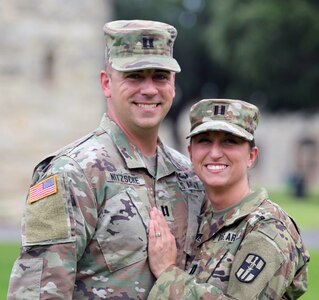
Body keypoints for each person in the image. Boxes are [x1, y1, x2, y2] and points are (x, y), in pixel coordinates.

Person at [7, 20, 205, 299]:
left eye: (160, 76)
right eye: (134, 76)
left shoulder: (189, 177)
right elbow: (37, 292)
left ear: (173, 85)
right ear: (106, 83)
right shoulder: (71, 173)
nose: (149, 89)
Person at [147, 99, 310, 299]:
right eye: (205, 140)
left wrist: (167, 272)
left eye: (229, 141)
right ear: (190, 152)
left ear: (252, 156)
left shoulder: (268, 229)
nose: (215, 153)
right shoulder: (199, 216)